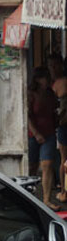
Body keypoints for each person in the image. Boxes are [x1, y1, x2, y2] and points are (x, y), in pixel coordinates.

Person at [28, 66, 60, 211]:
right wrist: (36, 133)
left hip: (49, 133)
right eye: (44, 78)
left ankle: (46, 199)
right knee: (32, 167)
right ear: (37, 79)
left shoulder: (50, 94)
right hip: (33, 135)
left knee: (47, 165)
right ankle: (28, 195)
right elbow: (27, 116)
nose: (47, 81)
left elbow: (55, 111)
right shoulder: (31, 94)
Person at [49, 54, 67, 204]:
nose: (53, 68)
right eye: (51, 66)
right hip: (61, 126)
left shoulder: (56, 84)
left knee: (64, 160)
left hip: (63, 125)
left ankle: (63, 192)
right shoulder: (53, 84)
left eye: (55, 65)